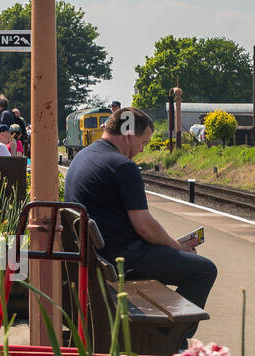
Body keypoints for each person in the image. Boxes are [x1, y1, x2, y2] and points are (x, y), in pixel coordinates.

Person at [64, 107, 216, 342]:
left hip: (98, 257)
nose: (142, 149)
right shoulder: (123, 167)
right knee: (203, 270)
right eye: (143, 142)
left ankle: (164, 333)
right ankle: (170, 339)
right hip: (122, 261)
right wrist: (176, 246)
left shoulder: (84, 157)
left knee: (178, 259)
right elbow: (144, 226)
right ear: (127, 134)